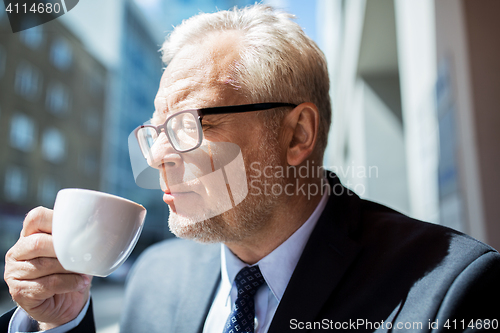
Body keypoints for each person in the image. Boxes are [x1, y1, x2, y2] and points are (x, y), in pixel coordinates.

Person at [2, 4, 500, 333]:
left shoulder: (449, 291)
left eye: (188, 125)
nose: (156, 157)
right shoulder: (155, 278)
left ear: (297, 135)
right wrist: (61, 321)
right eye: (154, 133)